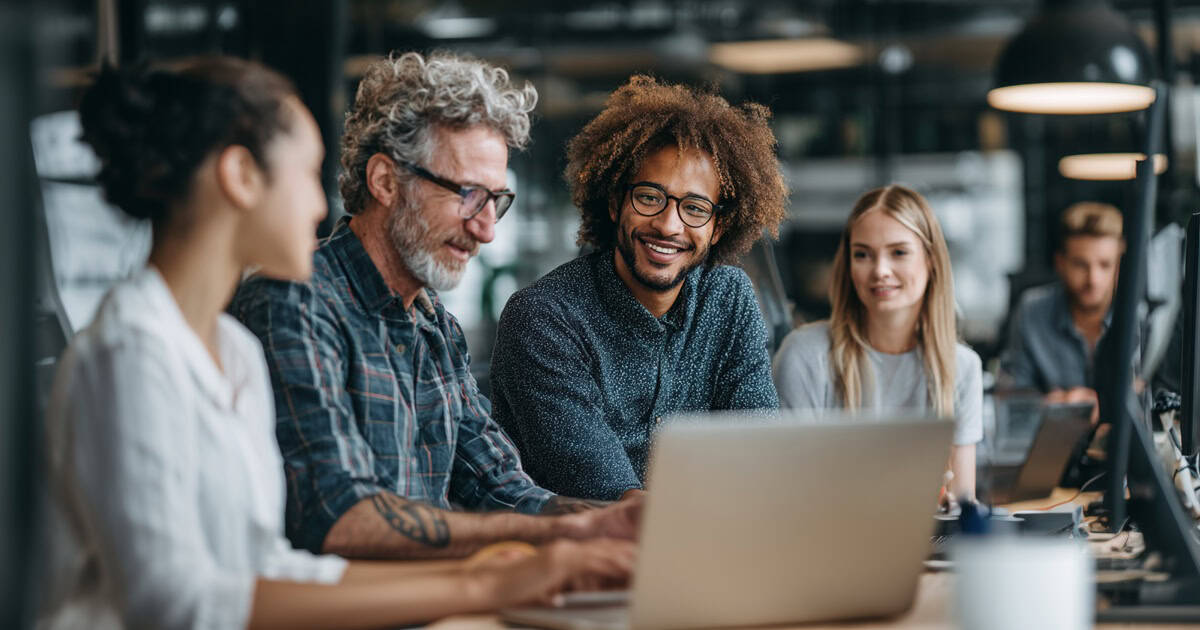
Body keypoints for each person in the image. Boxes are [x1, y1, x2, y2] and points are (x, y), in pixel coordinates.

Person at [40, 58, 634, 630]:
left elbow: (270, 567)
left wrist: (595, 528)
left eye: (495, 201)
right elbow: (180, 603)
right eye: (305, 173)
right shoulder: (137, 351)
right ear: (242, 177)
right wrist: (499, 576)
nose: (321, 202)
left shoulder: (233, 350)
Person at [228, 51, 639, 560]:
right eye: (467, 194)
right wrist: (557, 537)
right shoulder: (294, 301)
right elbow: (335, 515)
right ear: (384, 181)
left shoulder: (434, 325)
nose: (487, 228)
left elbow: (500, 486)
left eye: (495, 200)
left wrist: (614, 521)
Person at [489, 76, 788, 501]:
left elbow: (761, 458)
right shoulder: (544, 319)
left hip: (710, 546)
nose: (669, 225)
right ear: (615, 202)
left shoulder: (728, 297)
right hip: (581, 555)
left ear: (718, 227)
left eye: (695, 208)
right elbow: (611, 500)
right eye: (650, 197)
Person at [771, 185, 981, 502]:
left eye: (898, 252)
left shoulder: (962, 366)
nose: (880, 271)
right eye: (863, 254)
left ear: (931, 260)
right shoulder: (805, 355)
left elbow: (964, 506)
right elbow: (790, 496)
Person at [999, 202, 1125, 413]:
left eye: (1105, 265)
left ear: (1119, 266)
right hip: (1057, 440)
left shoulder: (1143, 314)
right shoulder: (1032, 311)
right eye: (1080, 264)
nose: (1093, 279)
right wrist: (1058, 404)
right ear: (1060, 263)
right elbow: (1011, 398)